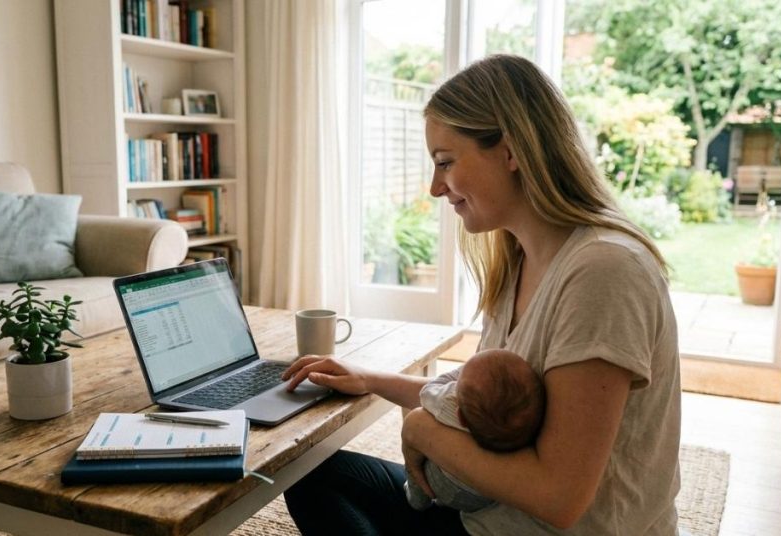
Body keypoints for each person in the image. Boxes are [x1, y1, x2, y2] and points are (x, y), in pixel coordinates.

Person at [282, 54, 681, 536]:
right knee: (308, 476)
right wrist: (370, 378)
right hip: (490, 517)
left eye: (445, 162)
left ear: (510, 152)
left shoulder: (604, 271)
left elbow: (560, 498)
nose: (435, 188)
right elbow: (473, 403)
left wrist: (420, 429)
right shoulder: (518, 260)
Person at [404, 349, 545, 513]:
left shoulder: (448, 403)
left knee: (416, 459)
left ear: (461, 417)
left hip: (443, 482)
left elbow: (428, 391)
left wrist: (462, 372)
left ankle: (417, 499)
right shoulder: (523, 423)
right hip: (486, 495)